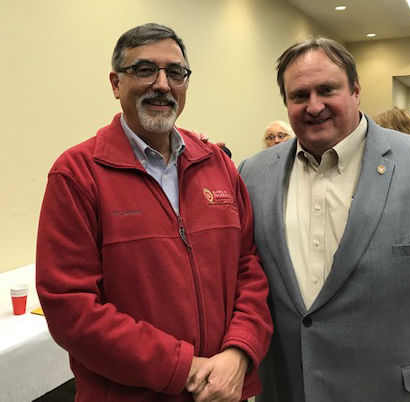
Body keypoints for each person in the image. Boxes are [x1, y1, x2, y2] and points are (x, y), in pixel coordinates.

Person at [238, 36, 410, 401]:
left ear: (356, 90)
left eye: (327, 89)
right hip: (290, 390)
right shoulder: (253, 175)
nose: (314, 105)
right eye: (299, 95)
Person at [36, 23, 272, 402]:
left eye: (175, 72)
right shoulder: (77, 174)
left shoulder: (217, 165)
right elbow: (71, 307)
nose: (162, 84)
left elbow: (249, 269)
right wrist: (183, 367)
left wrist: (239, 352)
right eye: (145, 70)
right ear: (116, 83)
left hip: (224, 390)